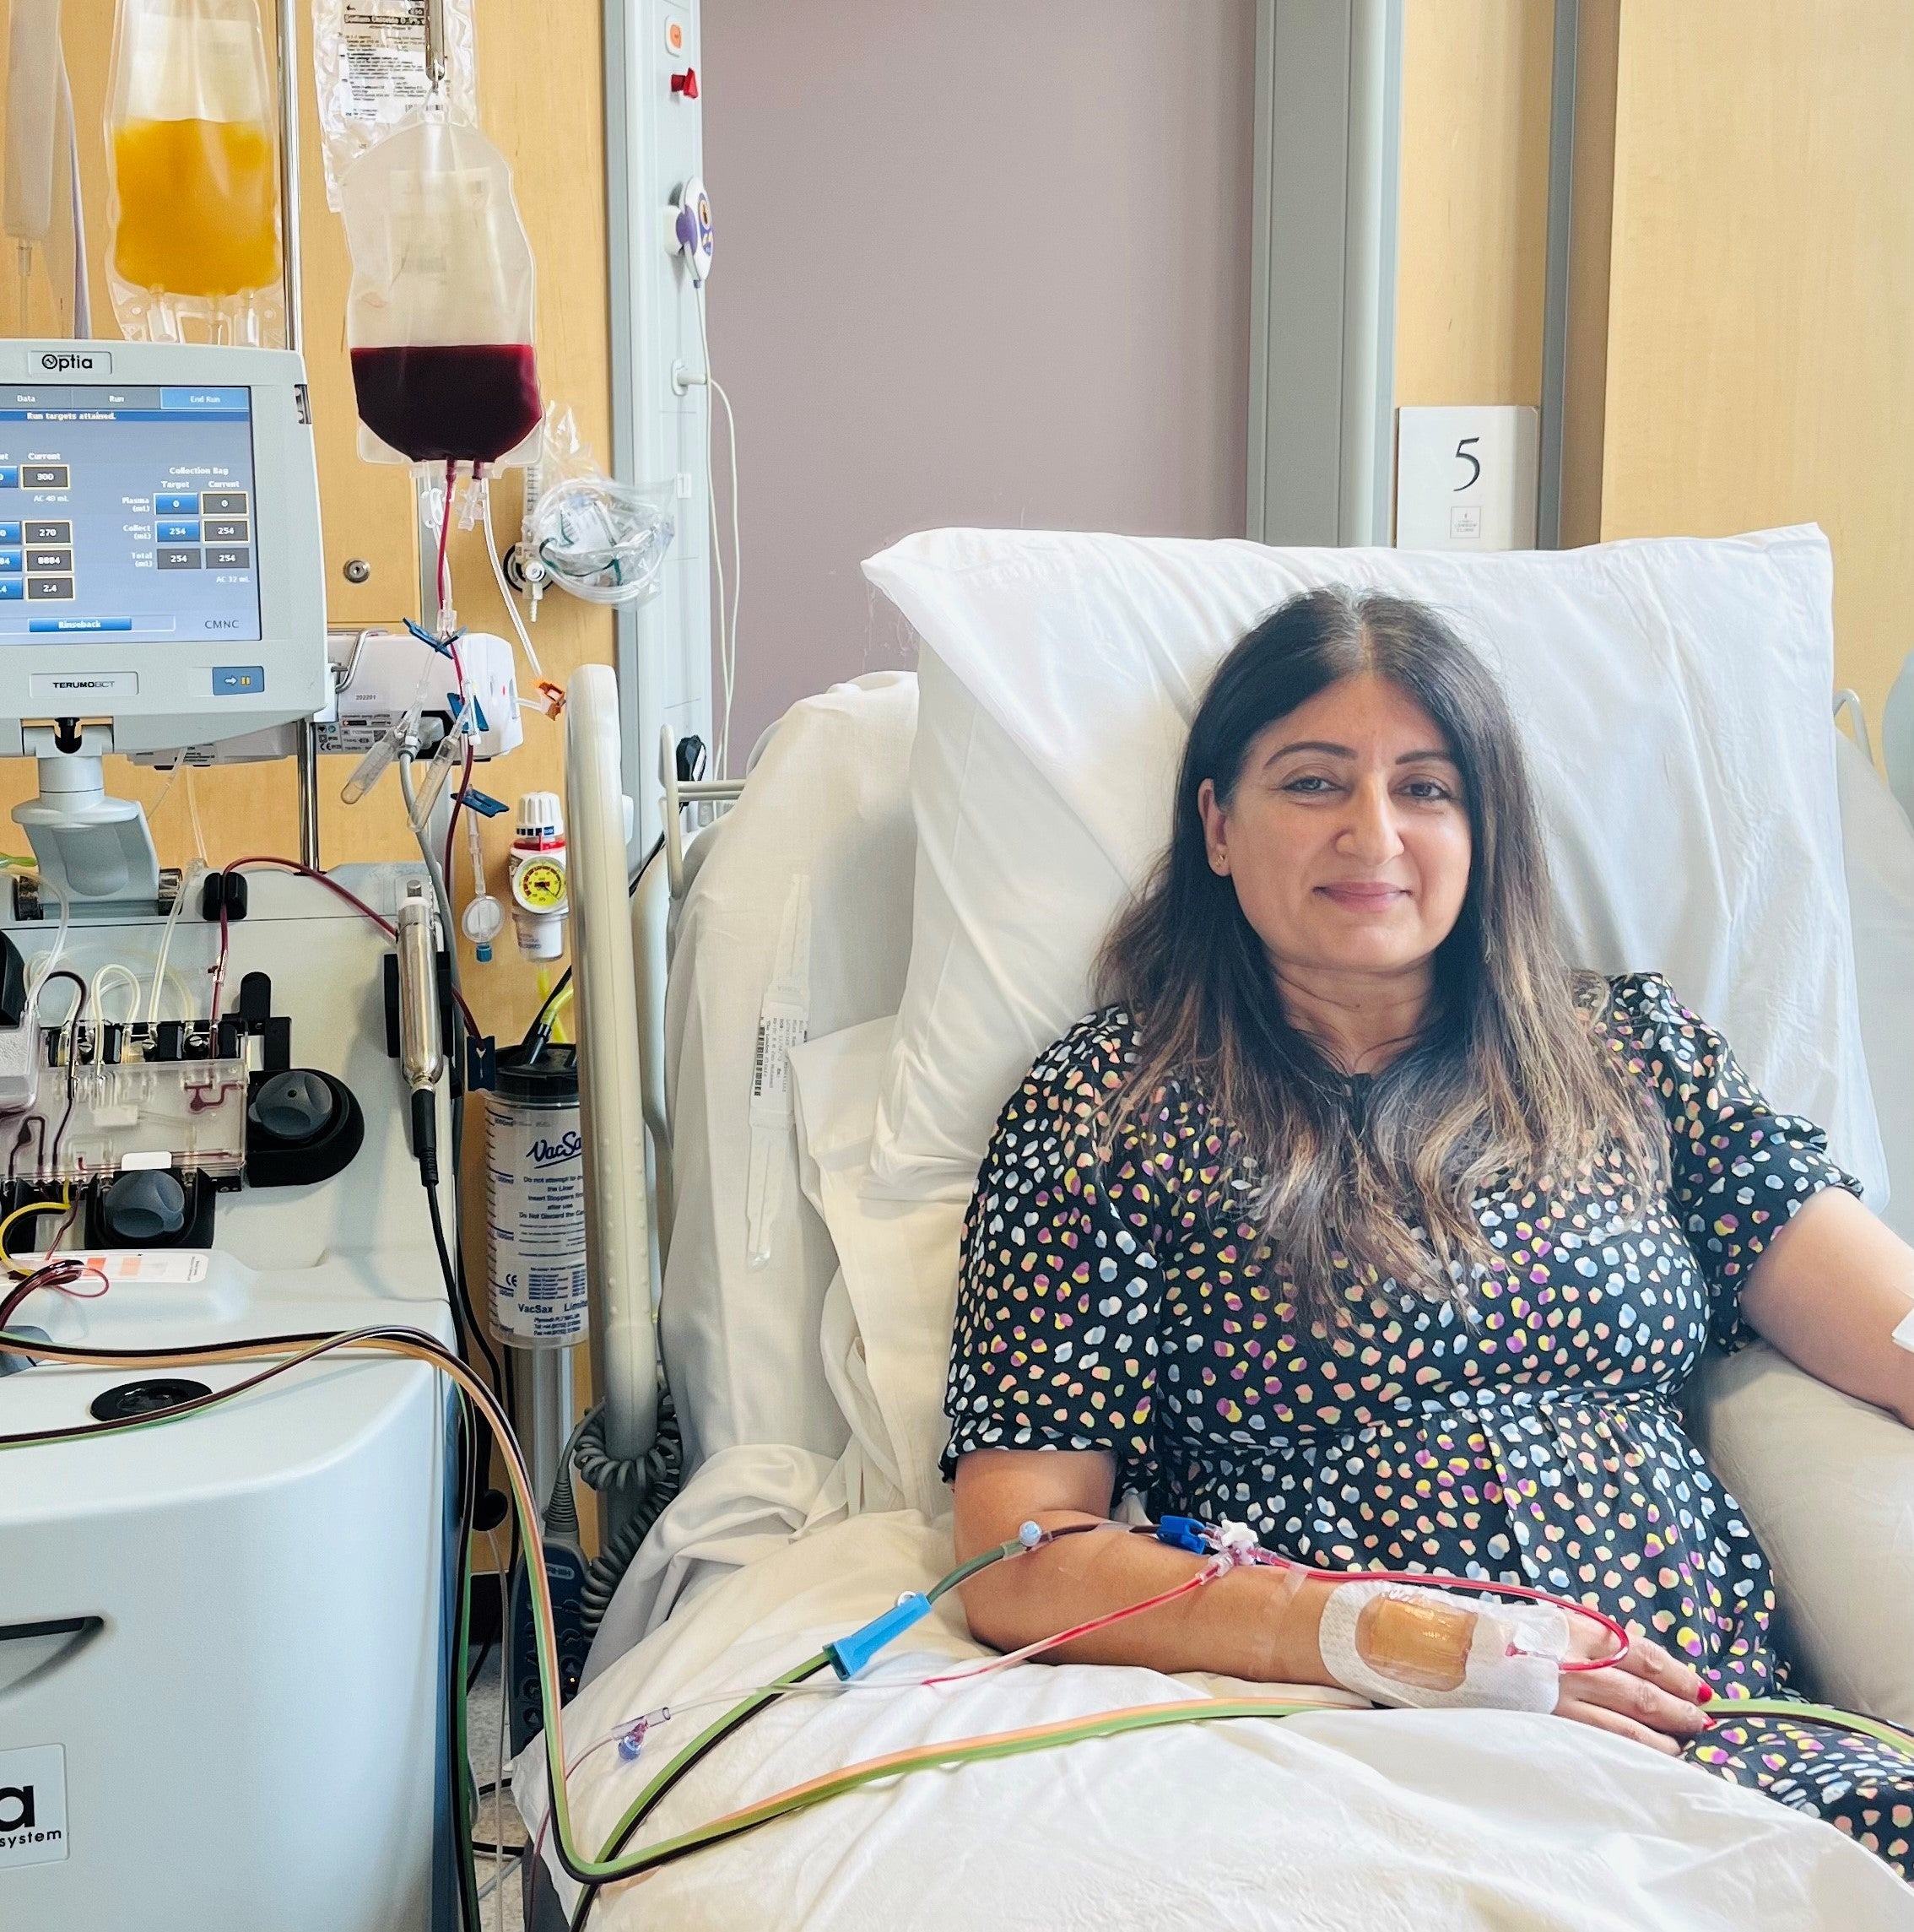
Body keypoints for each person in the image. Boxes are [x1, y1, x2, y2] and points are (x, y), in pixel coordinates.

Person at [942, 586, 1914, 1875]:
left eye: (1427, 787)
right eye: (1312, 781)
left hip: (1711, 1730)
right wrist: (1417, 1643)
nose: (1373, 831)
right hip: (1355, 1747)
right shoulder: (1113, 1107)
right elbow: (1016, 1554)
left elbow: (1889, 1324)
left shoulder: (1628, 1057)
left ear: (1483, 828)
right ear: (1217, 825)